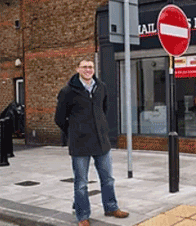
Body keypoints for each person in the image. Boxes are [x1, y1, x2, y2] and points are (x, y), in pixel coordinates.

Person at [55, 58, 129, 226]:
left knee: (108, 178)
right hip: (80, 144)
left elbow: (104, 110)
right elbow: (59, 118)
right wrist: (74, 132)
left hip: (101, 142)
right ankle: (82, 216)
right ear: (78, 69)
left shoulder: (100, 87)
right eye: (84, 67)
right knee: (81, 183)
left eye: (90, 67)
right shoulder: (67, 91)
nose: (88, 69)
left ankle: (111, 207)